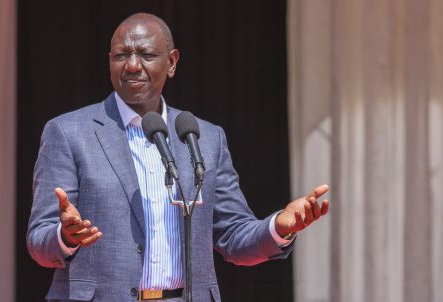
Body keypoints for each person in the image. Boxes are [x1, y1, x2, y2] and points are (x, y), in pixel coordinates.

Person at [27, 12, 329, 302]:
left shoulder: (203, 138)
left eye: (146, 55)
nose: (132, 65)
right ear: (110, 62)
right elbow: (39, 241)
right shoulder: (68, 132)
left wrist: (278, 227)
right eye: (121, 55)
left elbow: (234, 236)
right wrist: (65, 236)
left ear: (171, 63)